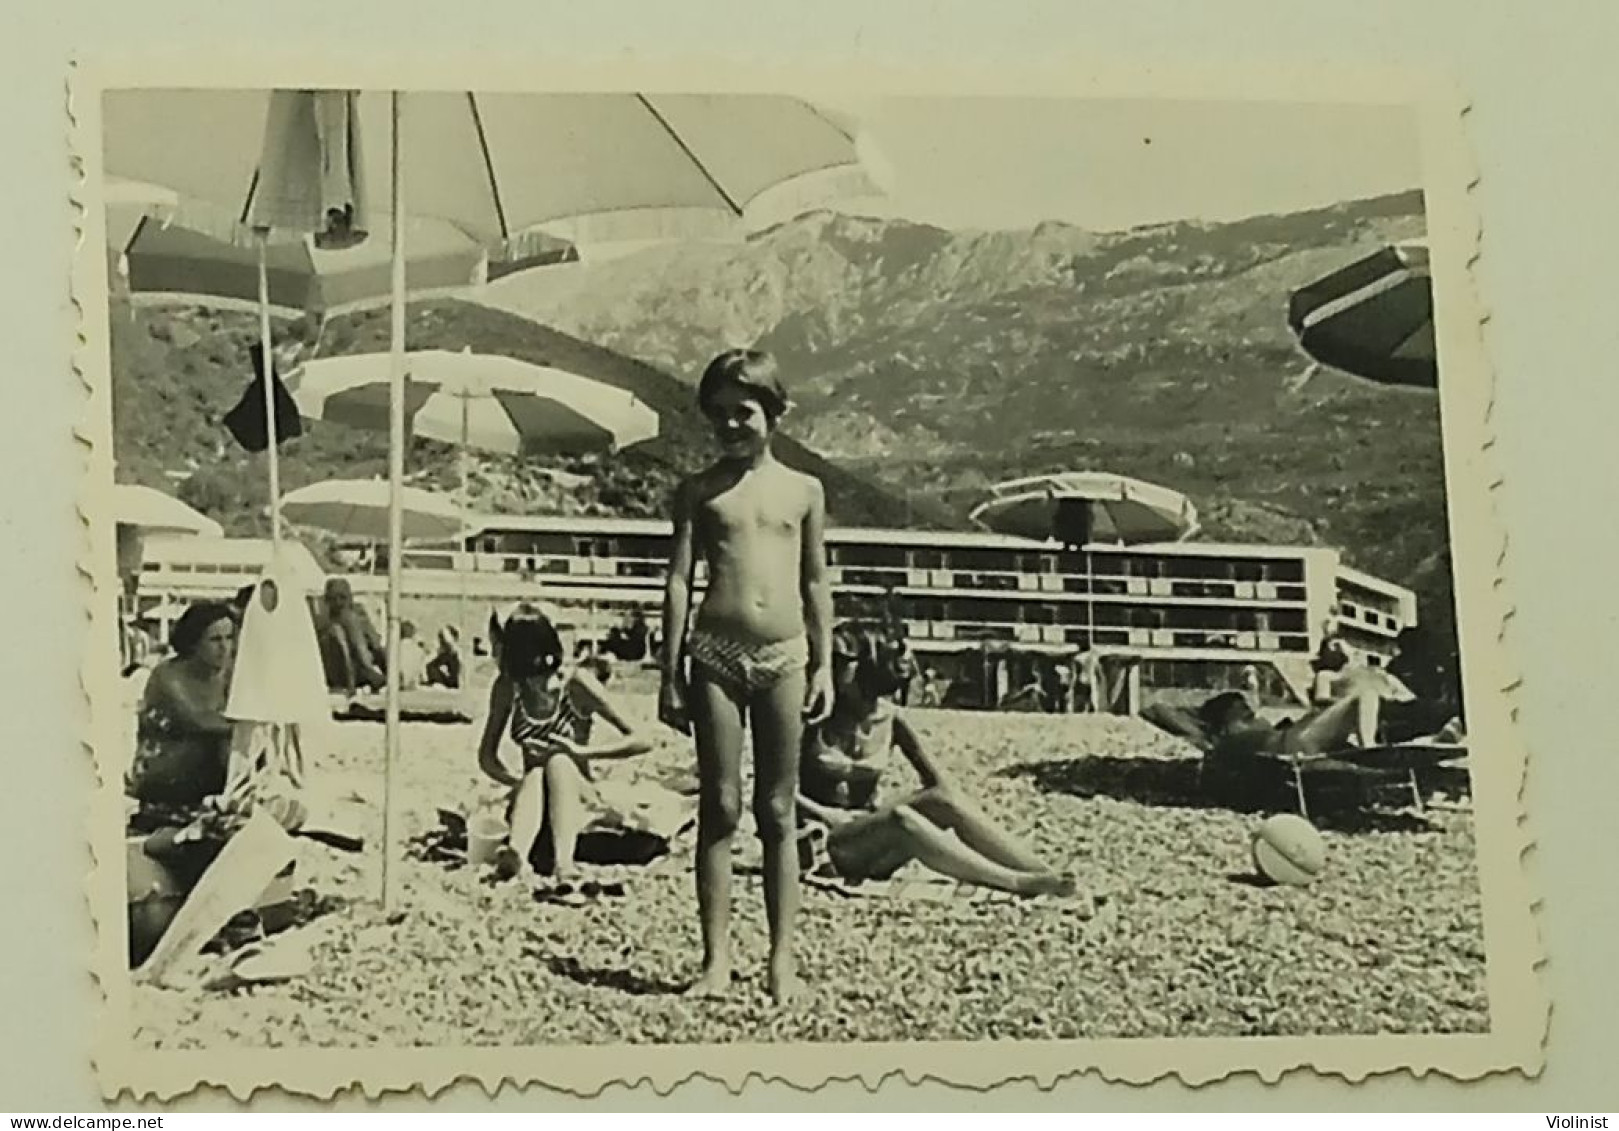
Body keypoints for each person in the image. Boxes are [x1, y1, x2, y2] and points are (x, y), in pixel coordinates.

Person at [659, 348, 834, 1004]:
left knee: (778, 807)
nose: (732, 425)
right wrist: (668, 671)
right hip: (715, 654)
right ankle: (716, 960)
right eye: (720, 415)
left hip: (785, 653)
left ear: (774, 415)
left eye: (745, 412)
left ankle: (781, 960)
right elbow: (678, 581)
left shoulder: (803, 490)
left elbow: (816, 579)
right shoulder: (699, 491)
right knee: (721, 804)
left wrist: (825, 666)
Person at [799, 624, 1077, 898]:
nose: (828, 667)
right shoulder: (813, 718)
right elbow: (775, 793)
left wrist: (892, 811)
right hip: (824, 841)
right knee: (901, 818)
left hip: (871, 835)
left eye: (841, 661)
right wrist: (828, 815)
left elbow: (943, 788)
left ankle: (1041, 871)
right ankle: (1014, 881)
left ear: (870, 664)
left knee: (942, 799)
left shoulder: (892, 719)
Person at [475, 603, 654, 889]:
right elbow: (487, 757)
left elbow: (642, 739)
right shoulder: (509, 686)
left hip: (576, 795)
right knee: (535, 772)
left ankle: (564, 863)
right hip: (531, 802)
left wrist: (581, 751)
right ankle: (517, 856)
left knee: (557, 760)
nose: (534, 685)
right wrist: (516, 782)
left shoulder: (577, 684)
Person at [127, 601, 238, 809]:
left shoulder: (231, 674)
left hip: (211, 779)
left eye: (229, 638)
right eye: (215, 640)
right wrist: (245, 724)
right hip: (167, 780)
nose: (224, 648)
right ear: (194, 642)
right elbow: (197, 720)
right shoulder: (168, 676)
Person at [314, 578, 386, 696]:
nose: (338, 603)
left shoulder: (357, 618)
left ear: (350, 598)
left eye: (342, 598)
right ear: (326, 601)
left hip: (357, 675)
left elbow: (376, 648)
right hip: (338, 677)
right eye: (333, 599)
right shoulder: (323, 624)